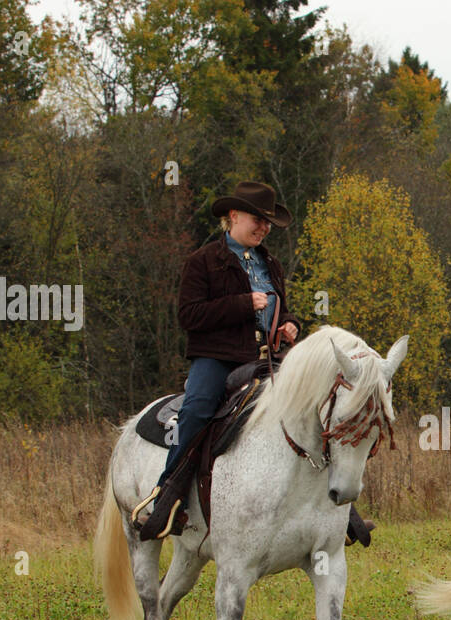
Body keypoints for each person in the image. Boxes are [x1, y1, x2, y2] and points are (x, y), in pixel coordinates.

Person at [135, 181, 374, 546]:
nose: (263, 228)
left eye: (267, 223)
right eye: (257, 220)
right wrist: (243, 304)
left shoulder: (270, 263)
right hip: (217, 360)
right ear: (233, 216)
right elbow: (189, 315)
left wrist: (290, 323)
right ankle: (166, 497)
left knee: (317, 412)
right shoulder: (202, 261)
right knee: (197, 410)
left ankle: (339, 515)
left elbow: (278, 309)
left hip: (268, 361)